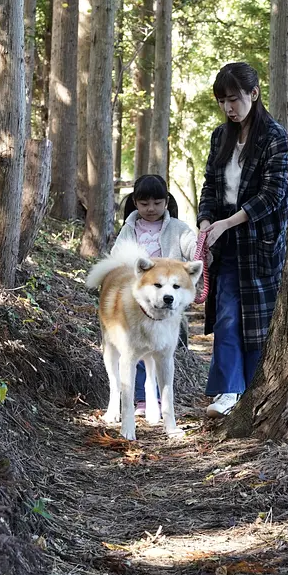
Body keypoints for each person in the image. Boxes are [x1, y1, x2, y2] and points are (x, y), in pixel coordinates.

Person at [197, 62, 288, 417]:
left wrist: (227, 223)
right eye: (222, 101)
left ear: (254, 93)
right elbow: (210, 185)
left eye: (234, 99)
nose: (228, 108)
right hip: (223, 241)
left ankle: (252, 391)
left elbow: (273, 195)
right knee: (225, 315)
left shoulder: (274, 136)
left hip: (260, 242)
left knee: (257, 319)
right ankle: (228, 390)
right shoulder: (220, 137)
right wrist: (207, 222)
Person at [113, 174, 199, 414]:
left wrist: (202, 247)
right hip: (139, 303)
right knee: (137, 348)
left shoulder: (178, 229)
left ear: (166, 201)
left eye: (157, 203)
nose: (151, 209)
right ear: (135, 203)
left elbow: (193, 249)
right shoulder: (129, 229)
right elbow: (117, 257)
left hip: (168, 304)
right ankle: (141, 398)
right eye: (144, 204)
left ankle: (159, 398)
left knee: (163, 351)